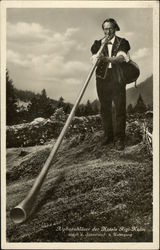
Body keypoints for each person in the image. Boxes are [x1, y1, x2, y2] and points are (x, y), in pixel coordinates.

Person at [91, 18, 131, 150]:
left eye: (110, 28)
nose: (107, 31)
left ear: (115, 29)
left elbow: (120, 58)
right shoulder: (97, 44)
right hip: (102, 79)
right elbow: (94, 59)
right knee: (105, 108)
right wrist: (99, 54)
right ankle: (108, 136)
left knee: (120, 108)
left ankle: (119, 138)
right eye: (105, 28)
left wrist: (106, 58)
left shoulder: (123, 42)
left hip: (117, 79)